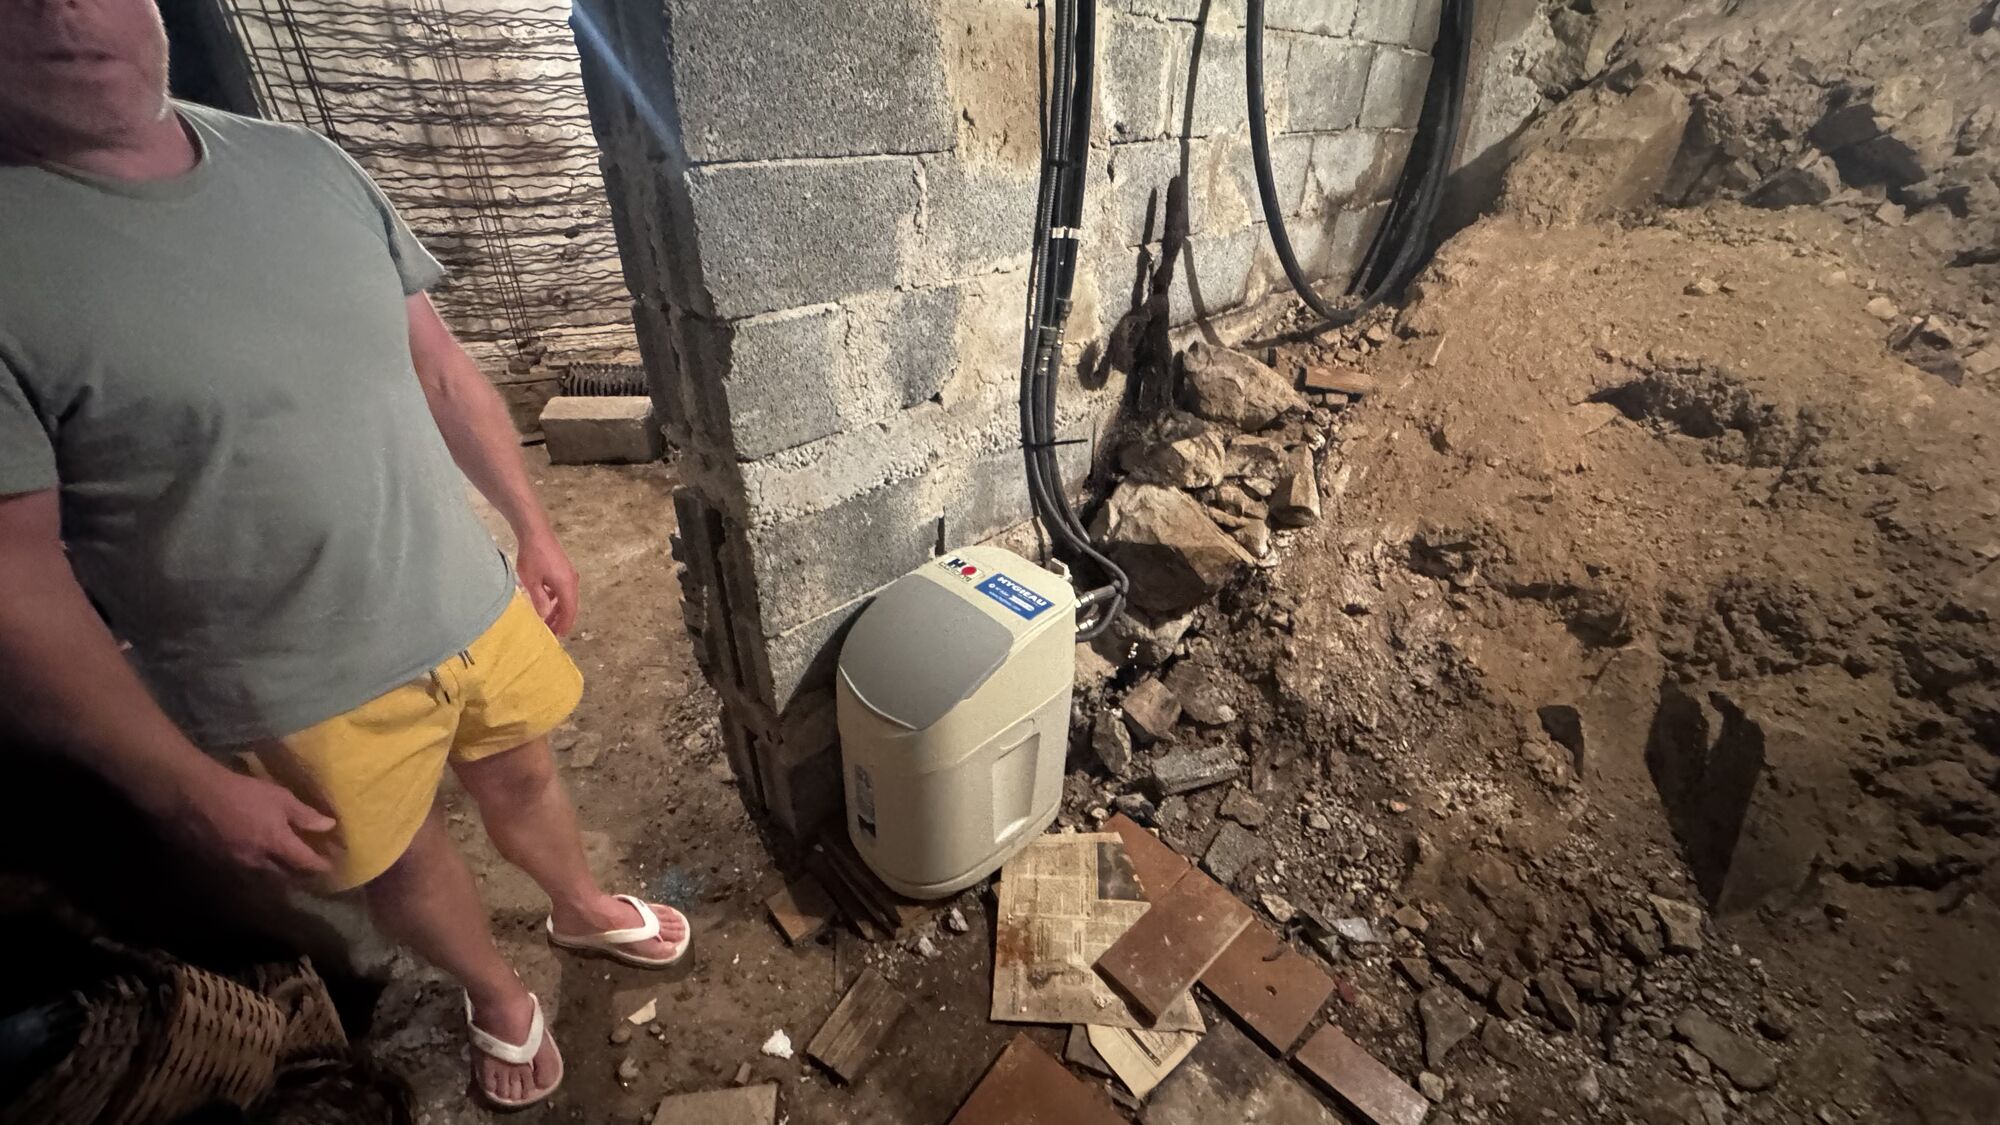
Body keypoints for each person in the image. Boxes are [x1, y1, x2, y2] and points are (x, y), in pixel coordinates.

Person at [0, 0, 688, 1108]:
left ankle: (579, 905)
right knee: (404, 852)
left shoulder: (307, 166)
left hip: (462, 597)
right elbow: (16, 578)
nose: (70, 11)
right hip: (290, 679)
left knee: (522, 772)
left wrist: (531, 523)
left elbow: (441, 368)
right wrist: (179, 782)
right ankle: (496, 989)